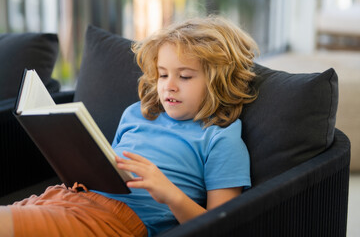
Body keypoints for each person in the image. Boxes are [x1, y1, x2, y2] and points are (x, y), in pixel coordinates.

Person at [0, 15, 258, 237]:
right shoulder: (138, 113)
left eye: (185, 76)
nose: (169, 85)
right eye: (163, 74)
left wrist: (169, 193)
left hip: (114, 219)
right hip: (66, 196)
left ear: (219, 81)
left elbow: (221, 226)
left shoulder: (221, 138)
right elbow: (109, 173)